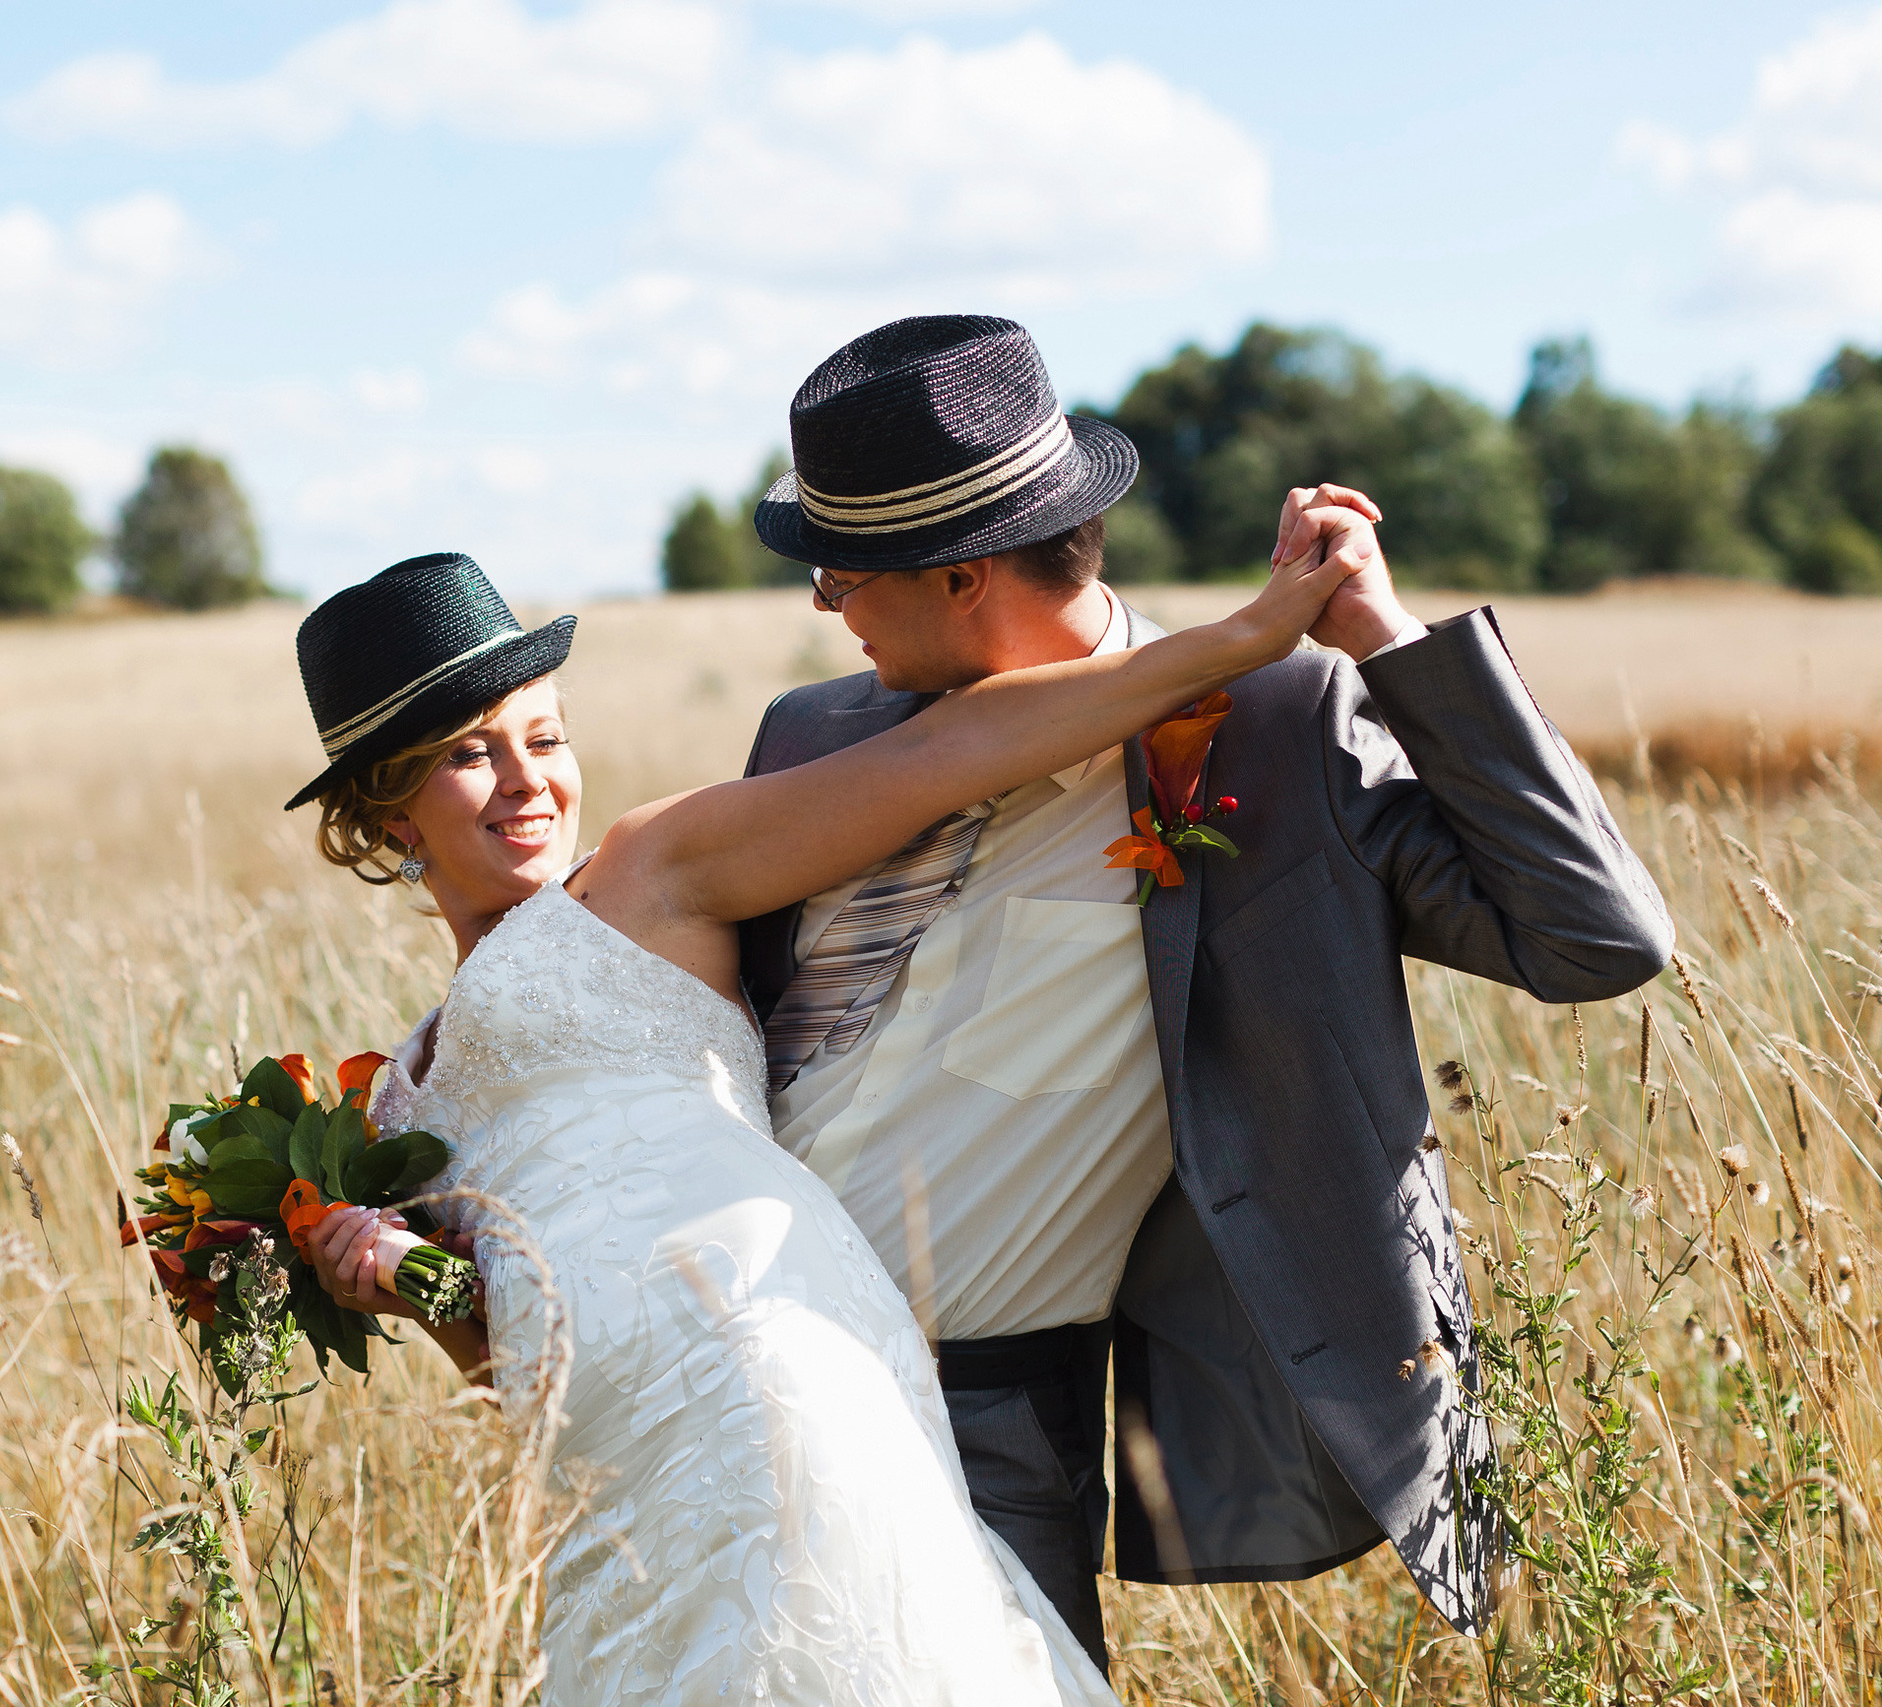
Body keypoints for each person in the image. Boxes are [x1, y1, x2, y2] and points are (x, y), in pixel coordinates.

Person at [730, 314, 1675, 1667]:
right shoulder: (809, 734)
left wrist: (1391, 641)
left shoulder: (1277, 727)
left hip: (991, 1413)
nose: (827, 604)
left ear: (959, 574)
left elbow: (1600, 934)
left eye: (840, 573)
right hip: (744, 1368)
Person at [283, 524, 1361, 1704]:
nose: (530, 777)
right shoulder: (395, 1100)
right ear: (388, 817)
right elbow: (505, 1366)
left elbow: (957, 751)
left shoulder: (649, 872)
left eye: (544, 736)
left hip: (764, 1365)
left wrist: (1240, 640)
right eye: (468, 756)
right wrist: (396, 1280)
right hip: (616, 1470)